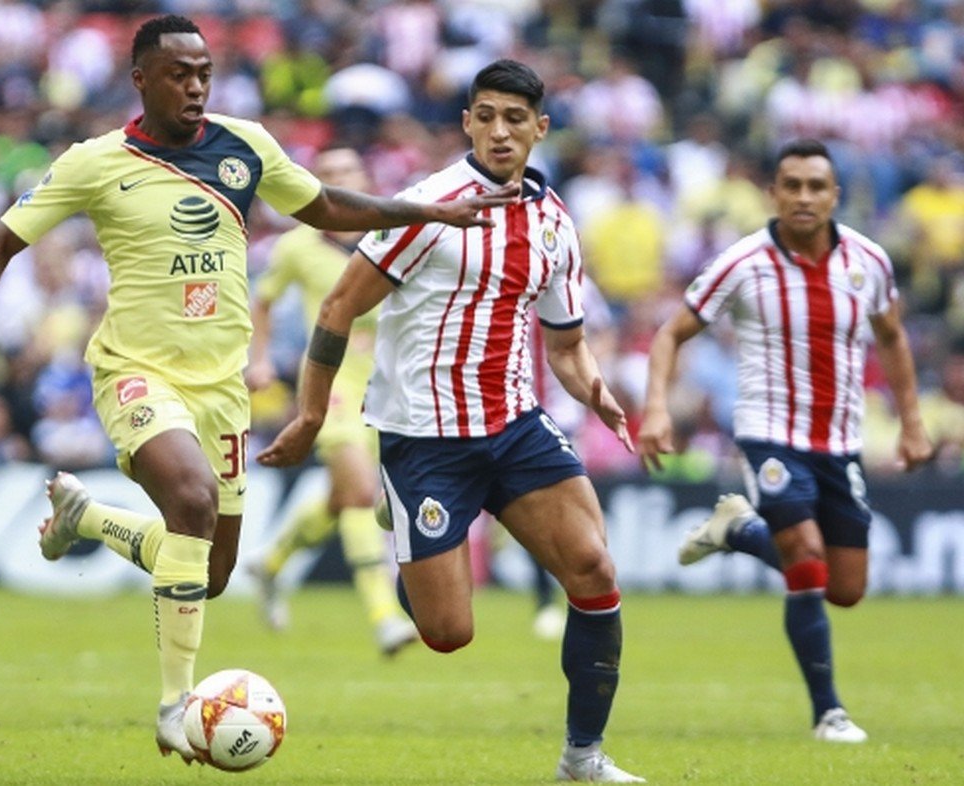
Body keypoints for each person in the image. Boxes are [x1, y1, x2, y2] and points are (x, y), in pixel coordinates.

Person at [0, 15, 516, 766]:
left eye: (205, 72)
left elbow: (326, 205)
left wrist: (423, 211)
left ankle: (88, 518)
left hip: (222, 389)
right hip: (136, 372)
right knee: (193, 503)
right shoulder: (95, 162)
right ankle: (176, 706)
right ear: (141, 79)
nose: (197, 86)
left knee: (207, 573)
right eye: (180, 73)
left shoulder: (244, 147)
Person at [258, 59, 644, 784]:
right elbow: (339, 306)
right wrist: (311, 412)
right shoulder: (426, 207)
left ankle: (582, 758)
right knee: (446, 634)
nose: (501, 131)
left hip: (516, 424)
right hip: (426, 438)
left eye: (515, 118)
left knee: (594, 570)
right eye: (486, 115)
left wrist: (595, 389)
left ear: (540, 128)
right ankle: (401, 524)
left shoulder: (556, 223)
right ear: (467, 122)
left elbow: (564, 344)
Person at [638, 138, 933, 744]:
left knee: (845, 589)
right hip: (769, 434)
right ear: (772, 193)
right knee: (803, 551)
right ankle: (830, 713)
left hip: (840, 439)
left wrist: (910, 422)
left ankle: (738, 530)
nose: (803, 197)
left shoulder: (868, 261)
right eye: (791, 185)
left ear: (835, 195)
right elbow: (671, 333)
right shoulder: (743, 262)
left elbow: (894, 338)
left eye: (815, 186)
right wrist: (656, 409)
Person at [245, 146, 418, 656]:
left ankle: (271, 562)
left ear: (364, 178)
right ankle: (384, 616)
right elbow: (265, 300)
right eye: (330, 175)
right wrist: (258, 359)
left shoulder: (390, 236)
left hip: (386, 383)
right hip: (330, 380)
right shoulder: (296, 246)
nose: (340, 179)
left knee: (345, 494)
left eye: (349, 171)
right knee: (362, 491)